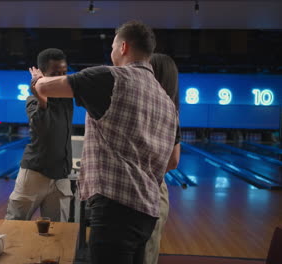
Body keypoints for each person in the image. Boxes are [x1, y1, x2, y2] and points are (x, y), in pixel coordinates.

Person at [30, 21, 178, 264]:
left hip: (115, 209)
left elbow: (47, 87)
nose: (111, 52)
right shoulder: (166, 101)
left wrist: (37, 80)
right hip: (148, 212)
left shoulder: (109, 78)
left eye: (112, 46)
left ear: (123, 47)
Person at [5, 48, 73, 222]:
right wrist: (42, 97)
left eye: (64, 73)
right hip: (34, 174)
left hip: (61, 175)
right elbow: (40, 127)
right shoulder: (33, 100)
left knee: (59, 234)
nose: (60, 78)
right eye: (55, 73)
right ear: (42, 74)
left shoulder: (67, 96)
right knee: (15, 225)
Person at [143, 53, 182, 264]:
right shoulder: (171, 109)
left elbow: (174, 160)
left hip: (142, 189)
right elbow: (173, 161)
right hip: (156, 189)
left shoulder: (150, 107)